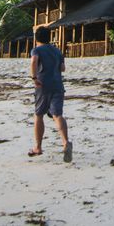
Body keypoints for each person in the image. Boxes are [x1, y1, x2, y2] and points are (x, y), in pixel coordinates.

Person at [28, 26, 71, 162]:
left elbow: (34, 61)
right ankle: (65, 143)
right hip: (58, 86)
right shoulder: (57, 51)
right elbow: (62, 68)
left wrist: (34, 78)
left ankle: (38, 147)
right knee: (57, 115)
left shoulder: (36, 50)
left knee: (39, 115)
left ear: (37, 38)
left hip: (43, 86)